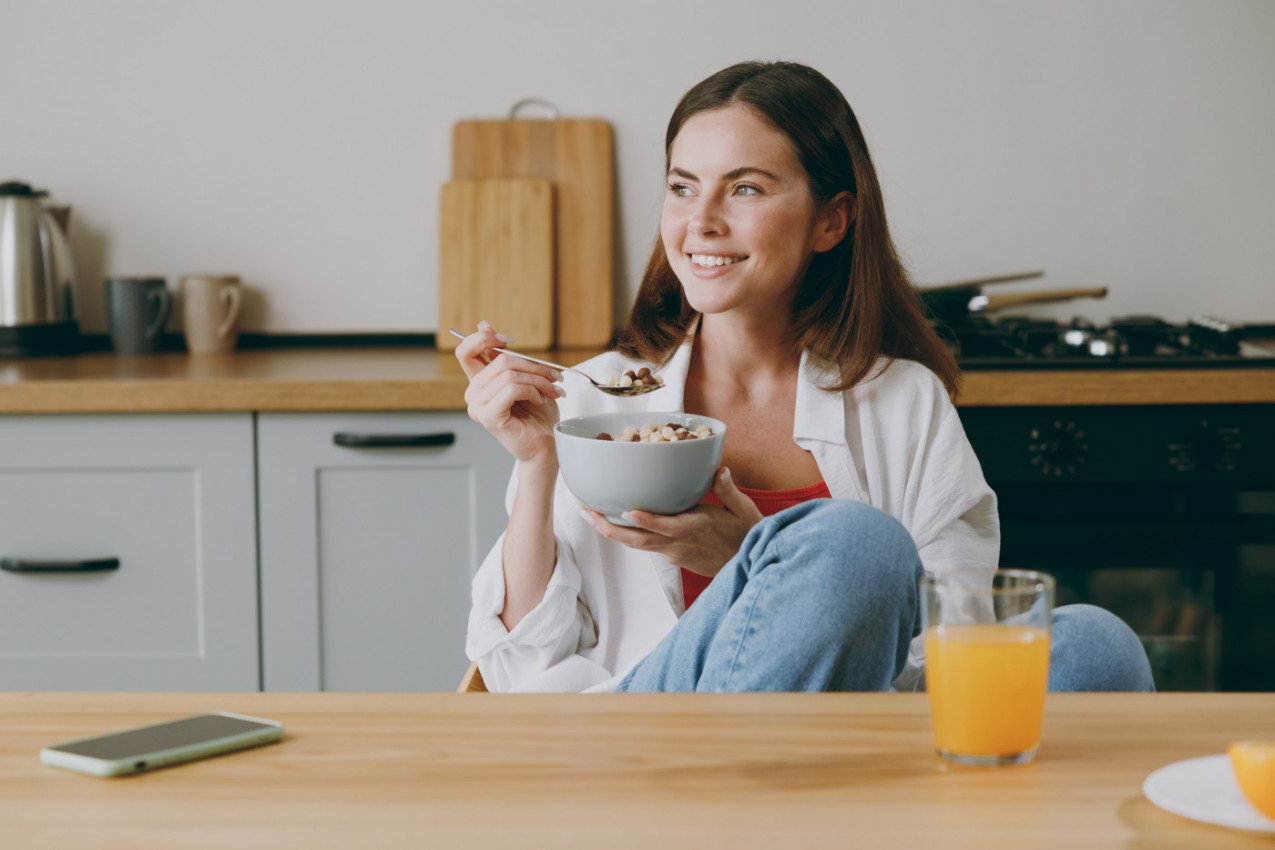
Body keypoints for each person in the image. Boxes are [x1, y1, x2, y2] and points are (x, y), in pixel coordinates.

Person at [454, 60, 1154, 694]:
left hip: (857, 735)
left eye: (745, 189)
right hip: (653, 737)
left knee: (1096, 646)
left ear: (831, 222)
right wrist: (539, 461)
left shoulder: (903, 402)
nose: (700, 222)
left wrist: (747, 553)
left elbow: (947, 647)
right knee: (857, 541)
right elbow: (522, 667)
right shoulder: (592, 399)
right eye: (681, 187)